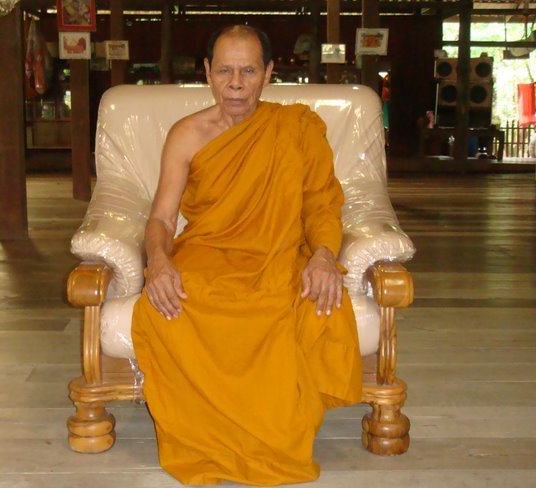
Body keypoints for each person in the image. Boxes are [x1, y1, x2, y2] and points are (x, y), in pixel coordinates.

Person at [131, 25, 363, 486]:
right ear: (207, 73)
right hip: (209, 250)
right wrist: (158, 263)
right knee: (166, 306)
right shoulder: (187, 134)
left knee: (300, 301)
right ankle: (206, 439)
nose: (236, 83)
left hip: (277, 253)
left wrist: (322, 256)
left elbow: (320, 204)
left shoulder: (296, 128)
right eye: (225, 71)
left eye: (249, 71)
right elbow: (161, 218)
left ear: (269, 73)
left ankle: (272, 438)